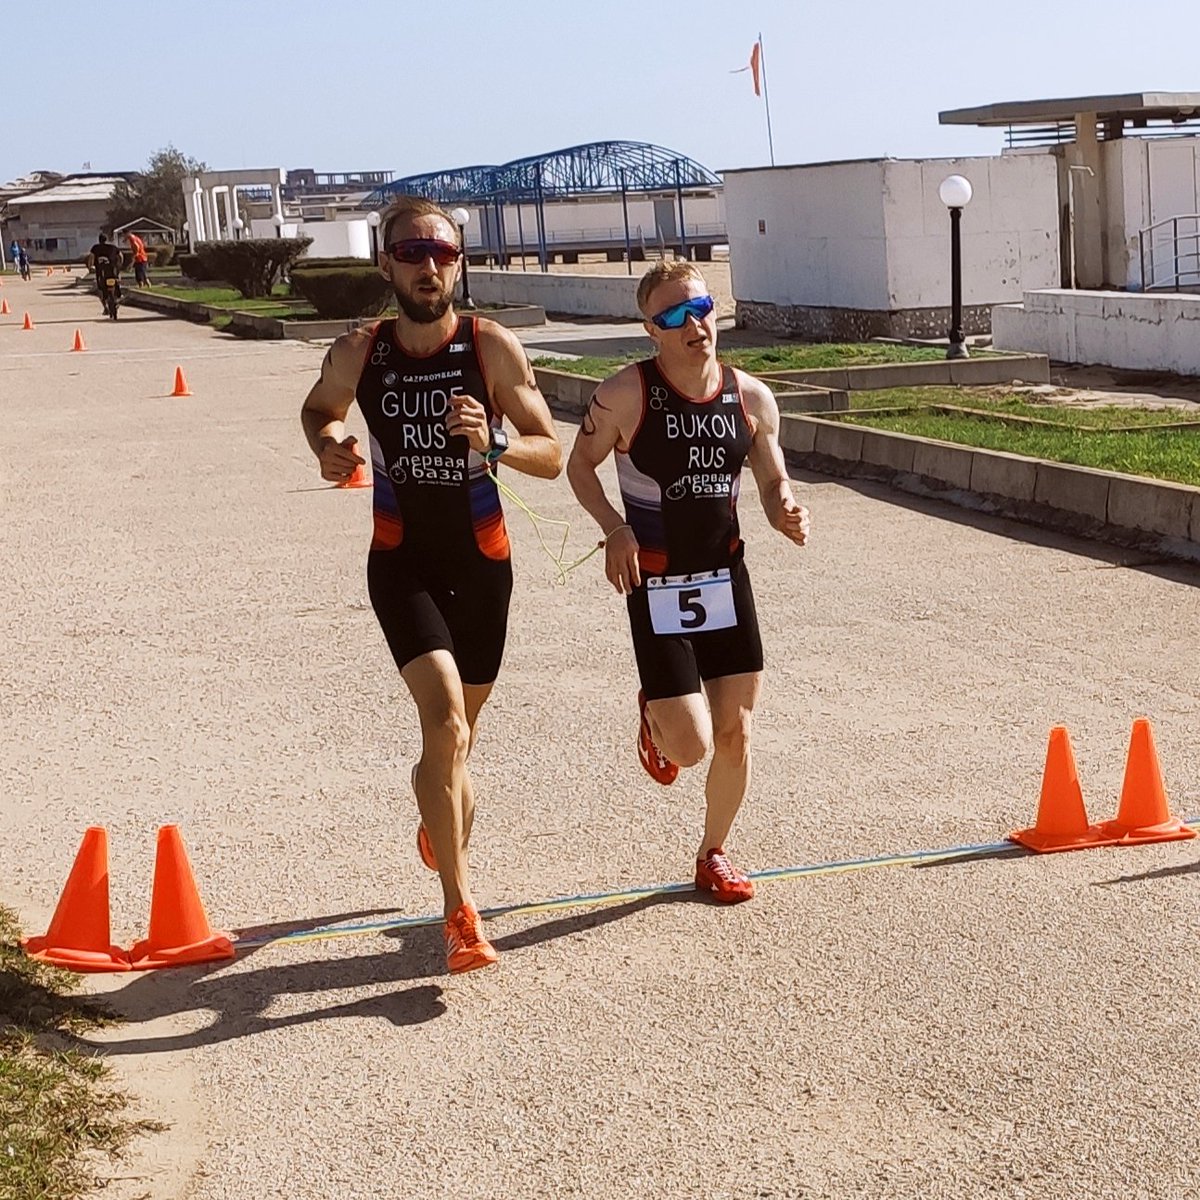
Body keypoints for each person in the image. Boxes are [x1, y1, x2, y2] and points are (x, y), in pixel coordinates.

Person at [300, 195, 563, 974]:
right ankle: (459, 911)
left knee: (455, 745)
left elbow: (552, 452)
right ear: (386, 264)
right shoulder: (359, 351)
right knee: (445, 726)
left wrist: (499, 441)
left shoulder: (492, 348)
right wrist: (329, 445)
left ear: (459, 263)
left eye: (443, 253)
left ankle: (435, 816)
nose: (428, 266)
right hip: (402, 560)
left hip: (484, 565)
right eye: (412, 253)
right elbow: (318, 410)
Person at [566, 259, 810, 904]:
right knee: (694, 745)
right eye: (674, 316)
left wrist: (785, 505)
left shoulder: (750, 397)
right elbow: (580, 465)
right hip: (658, 583)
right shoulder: (626, 394)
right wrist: (615, 529)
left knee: (737, 732)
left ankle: (713, 853)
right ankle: (655, 717)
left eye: (701, 309)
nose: (693, 325)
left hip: (726, 576)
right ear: (651, 328)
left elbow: (771, 473)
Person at [86, 232, 123, 311]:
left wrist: (90, 267)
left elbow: (91, 258)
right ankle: (118, 297)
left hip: (101, 272)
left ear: (99, 240)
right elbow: (120, 256)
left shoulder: (95, 248)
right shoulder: (113, 247)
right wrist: (119, 265)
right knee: (117, 283)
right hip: (113, 271)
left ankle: (105, 307)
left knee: (101, 290)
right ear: (107, 239)